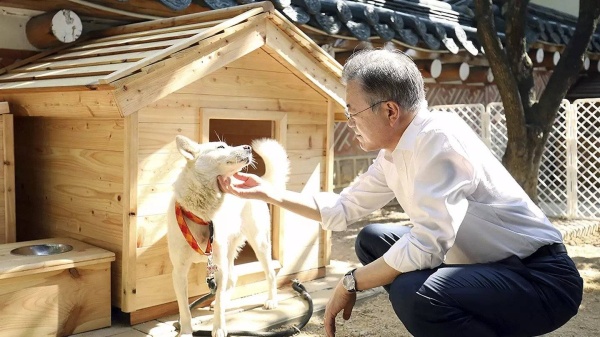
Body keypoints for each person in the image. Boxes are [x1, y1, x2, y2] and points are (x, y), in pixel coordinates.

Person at [217, 49, 583, 337]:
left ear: (390, 110)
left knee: (416, 292)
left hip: (540, 279)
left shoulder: (437, 139)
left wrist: (350, 281)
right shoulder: (394, 151)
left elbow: (427, 244)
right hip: (484, 264)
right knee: (375, 239)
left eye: (352, 111)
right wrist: (268, 193)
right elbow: (343, 208)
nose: (350, 123)